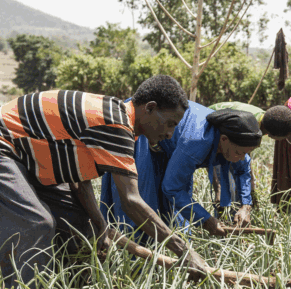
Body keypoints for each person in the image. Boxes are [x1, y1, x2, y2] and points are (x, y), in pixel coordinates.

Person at [0, 75, 206, 289]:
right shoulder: (115, 123)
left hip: (30, 157)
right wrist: (186, 251)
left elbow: (80, 181)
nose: (170, 134)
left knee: (81, 225)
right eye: (171, 123)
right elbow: (132, 201)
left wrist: (99, 225)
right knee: (36, 223)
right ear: (150, 108)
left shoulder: (116, 121)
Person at [101, 101, 263, 239]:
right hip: (145, 131)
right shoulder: (197, 141)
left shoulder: (238, 144)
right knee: (142, 208)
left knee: (178, 219)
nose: (242, 158)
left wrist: (245, 206)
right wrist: (206, 220)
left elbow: (243, 170)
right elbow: (172, 188)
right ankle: (134, 261)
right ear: (224, 140)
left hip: (171, 149)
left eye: (246, 153)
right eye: (239, 153)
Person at [207, 101, 291, 216]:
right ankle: (221, 223)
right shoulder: (249, 125)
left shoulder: (268, 120)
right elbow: (239, 161)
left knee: (238, 182)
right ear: (273, 135)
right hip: (212, 131)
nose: (285, 140)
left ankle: (235, 216)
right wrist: (218, 187)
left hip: (226, 135)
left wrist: (250, 194)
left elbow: (244, 159)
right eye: (285, 137)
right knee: (225, 190)